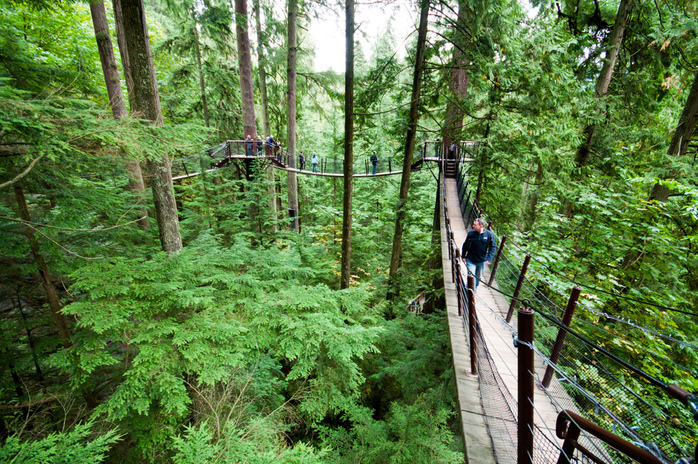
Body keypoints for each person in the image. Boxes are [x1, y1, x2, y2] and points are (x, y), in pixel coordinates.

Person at [461, 218, 496, 290]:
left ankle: (471, 293)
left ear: (481, 226)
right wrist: (463, 256)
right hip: (470, 260)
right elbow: (465, 245)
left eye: (475, 225)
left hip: (481, 261)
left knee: (477, 280)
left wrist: (489, 259)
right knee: (471, 278)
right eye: (473, 224)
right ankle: (469, 298)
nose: (473, 226)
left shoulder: (489, 235)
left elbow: (493, 247)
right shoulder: (471, 233)